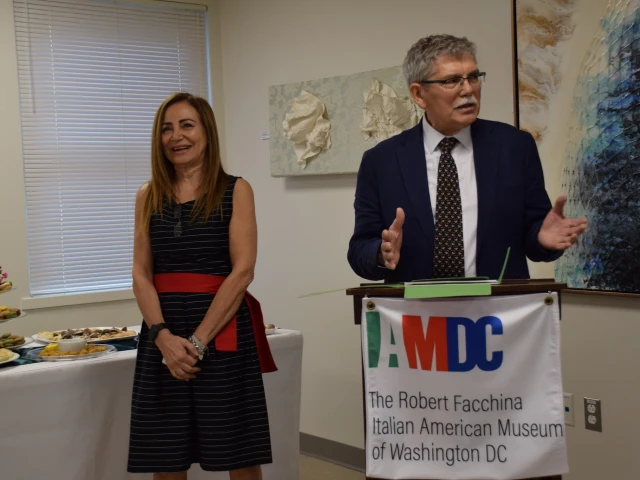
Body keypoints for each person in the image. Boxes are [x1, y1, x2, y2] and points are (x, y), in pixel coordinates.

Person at [348, 35, 587, 282]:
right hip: (417, 307)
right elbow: (359, 249)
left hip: (498, 305)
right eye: (452, 81)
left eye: (473, 77)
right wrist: (381, 253)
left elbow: (534, 233)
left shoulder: (515, 147)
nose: (469, 90)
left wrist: (542, 239)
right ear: (419, 94)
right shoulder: (381, 161)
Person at [128, 92, 276, 480]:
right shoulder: (147, 196)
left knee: (238, 453)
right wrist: (163, 337)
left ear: (206, 132)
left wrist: (197, 343)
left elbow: (243, 272)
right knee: (166, 454)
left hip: (221, 330)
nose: (176, 136)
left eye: (187, 125)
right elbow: (141, 273)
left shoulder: (236, 190)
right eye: (166, 129)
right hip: (163, 333)